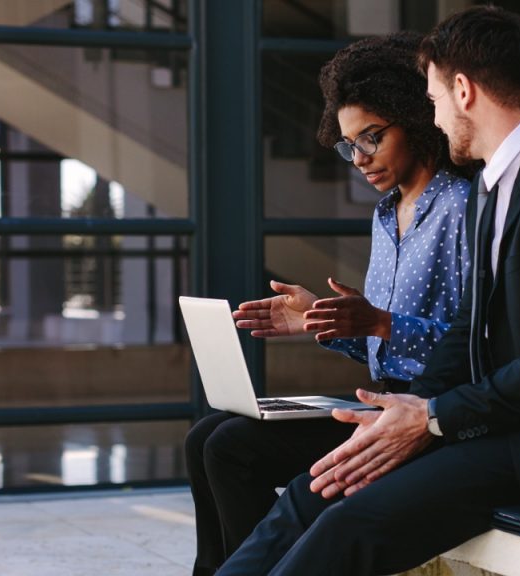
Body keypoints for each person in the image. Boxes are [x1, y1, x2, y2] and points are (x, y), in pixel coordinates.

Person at [216, 6, 520, 575]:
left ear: (463, 90)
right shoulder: (495, 187)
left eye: (435, 99)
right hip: (501, 426)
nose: (434, 119)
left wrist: (434, 416)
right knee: (311, 494)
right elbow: (470, 330)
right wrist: (411, 410)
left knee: (349, 522)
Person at [184, 32, 474, 576]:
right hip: (377, 398)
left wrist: (382, 323)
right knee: (206, 434)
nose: (359, 158)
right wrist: (321, 319)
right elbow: (379, 341)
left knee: (231, 448)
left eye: (371, 137)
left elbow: (476, 341)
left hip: (424, 413)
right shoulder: (386, 213)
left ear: (413, 118)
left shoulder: (460, 209)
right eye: (348, 145)